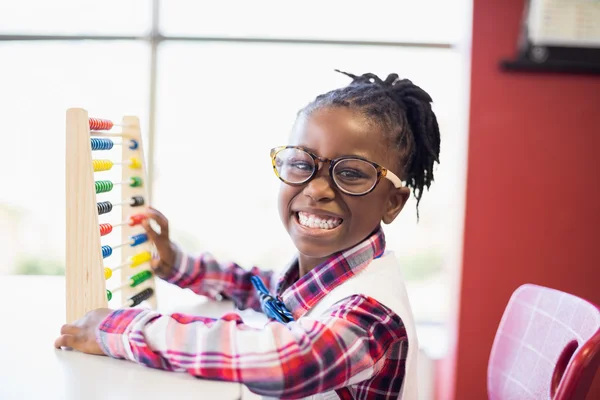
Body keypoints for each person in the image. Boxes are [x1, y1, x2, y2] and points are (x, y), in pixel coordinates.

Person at [55, 70, 441, 399]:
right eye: (301, 162)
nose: (317, 189)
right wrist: (178, 264)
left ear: (393, 202)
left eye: (352, 172)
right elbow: (254, 286)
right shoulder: (322, 278)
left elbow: (283, 360)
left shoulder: (371, 316)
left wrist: (119, 329)